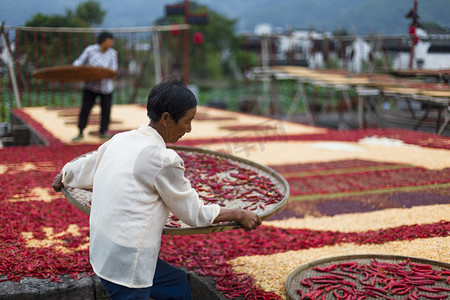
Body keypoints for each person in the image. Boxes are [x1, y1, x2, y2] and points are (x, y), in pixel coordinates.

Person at [52, 77, 261, 300]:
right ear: (165, 118)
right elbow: (194, 214)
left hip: (102, 251)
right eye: (187, 122)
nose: (189, 129)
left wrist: (64, 176)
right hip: (126, 264)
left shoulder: (120, 139)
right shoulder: (162, 158)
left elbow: (87, 167)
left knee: (176, 284)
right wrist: (238, 213)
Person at [72, 31, 118, 142]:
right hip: (90, 86)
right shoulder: (90, 50)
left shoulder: (112, 53)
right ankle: (80, 131)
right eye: (109, 40)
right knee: (86, 108)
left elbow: (114, 70)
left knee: (106, 109)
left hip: (106, 87)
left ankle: (103, 131)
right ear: (103, 40)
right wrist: (76, 70)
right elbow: (79, 62)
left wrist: (107, 74)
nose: (110, 43)